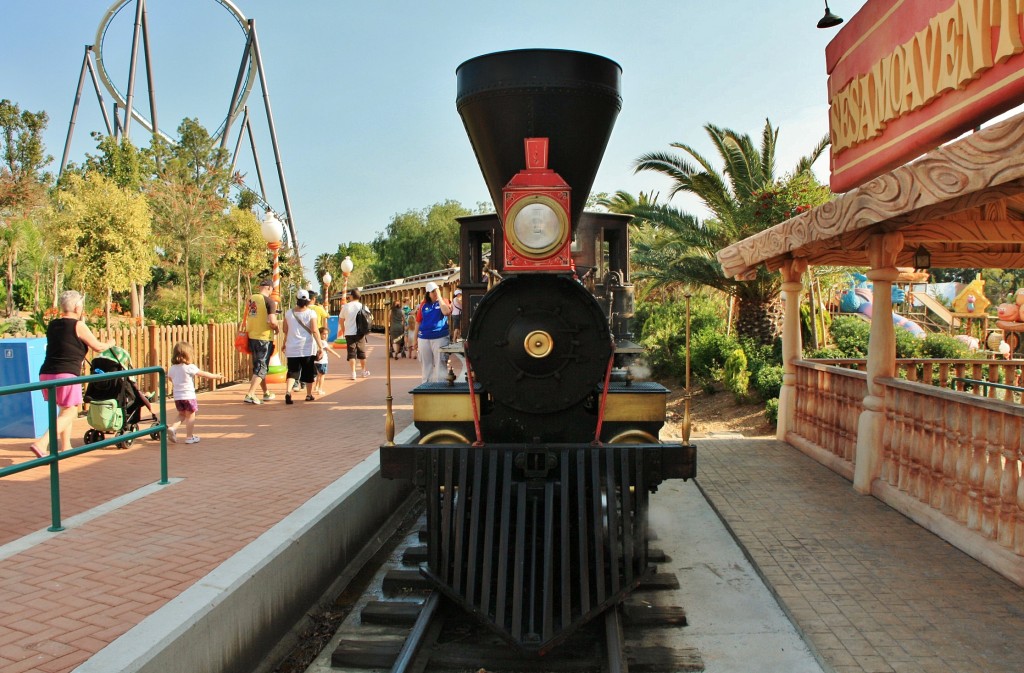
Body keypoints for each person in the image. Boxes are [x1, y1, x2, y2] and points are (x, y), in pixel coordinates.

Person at [29, 290, 116, 457]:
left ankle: (65, 446)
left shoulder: (53, 325)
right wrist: (110, 343)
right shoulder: (78, 325)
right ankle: (42, 443)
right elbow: (97, 347)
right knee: (71, 412)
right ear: (77, 307)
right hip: (66, 374)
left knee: (64, 409)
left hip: (46, 373)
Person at [167, 341, 225, 444]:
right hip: (188, 395)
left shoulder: (172, 368)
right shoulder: (190, 367)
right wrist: (216, 376)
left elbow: (171, 379)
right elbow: (203, 374)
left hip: (177, 396)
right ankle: (189, 437)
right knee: (190, 416)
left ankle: (173, 428)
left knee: (181, 414)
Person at [281, 289, 325, 404]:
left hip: (292, 347)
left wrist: (284, 343)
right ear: (307, 301)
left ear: (297, 299)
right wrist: (321, 347)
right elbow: (315, 330)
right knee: (308, 371)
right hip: (307, 348)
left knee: (292, 371)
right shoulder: (311, 313)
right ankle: (309, 395)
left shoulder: (288, 313)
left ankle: (288, 392)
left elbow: (285, 330)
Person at [242, 278, 280, 405]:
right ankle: (250, 394)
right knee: (262, 366)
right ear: (269, 288)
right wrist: (277, 328)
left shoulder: (251, 298)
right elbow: (272, 321)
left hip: (252, 336)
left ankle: (266, 392)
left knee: (259, 365)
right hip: (263, 338)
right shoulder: (270, 301)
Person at [418, 281, 451, 383]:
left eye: (437, 291)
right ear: (428, 293)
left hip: (440, 337)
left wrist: (440, 297)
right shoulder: (423, 305)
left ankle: (440, 386)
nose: (435, 293)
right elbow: (418, 322)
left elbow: (446, 312)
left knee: (440, 362)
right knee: (426, 364)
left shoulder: (444, 301)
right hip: (424, 337)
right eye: (433, 292)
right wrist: (415, 340)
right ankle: (426, 385)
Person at [340, 288, 370, 380]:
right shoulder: (363, 306)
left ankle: (353, 373)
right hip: (360, 333)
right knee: (362, 353)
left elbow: (341, 320)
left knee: (351, 353)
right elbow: (368, 318)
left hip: (349, 333)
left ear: (351, 296)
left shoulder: (346, 306)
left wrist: (344, 330)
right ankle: (364, 371)